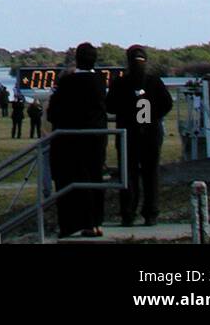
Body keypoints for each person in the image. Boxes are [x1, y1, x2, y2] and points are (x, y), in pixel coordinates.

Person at [106, 45, 173, 227]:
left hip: (128, 134)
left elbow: (110, 106)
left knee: (128, 174)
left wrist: (125, 110)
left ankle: (128, 213)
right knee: (151, 175)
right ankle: (151, 213)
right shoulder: (154, 82)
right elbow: (167, 103)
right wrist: (153, 116)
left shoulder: (120, 83)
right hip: (151, 133)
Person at [47, 42, 108, 239]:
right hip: (96, 140)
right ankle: (96, 222)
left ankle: (72, 224)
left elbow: (53, 112)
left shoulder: (68, 83)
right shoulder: (100, 81)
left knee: (71, 183)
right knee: (95, 179)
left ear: (77, 59)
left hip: (71, 142)